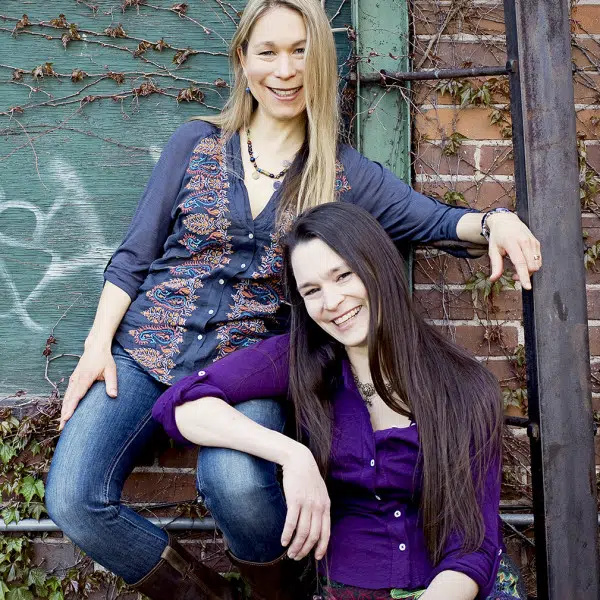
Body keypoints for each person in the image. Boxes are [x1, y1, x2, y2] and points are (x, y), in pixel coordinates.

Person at [45, 0, 540, 597]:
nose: (285, 70)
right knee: (73, 498)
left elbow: (431, 219)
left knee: (238, 482)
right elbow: (134, 254)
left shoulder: (345, 174)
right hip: (145, 351)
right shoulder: (193, 143)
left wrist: (494, 223)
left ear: (323, 63)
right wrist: (97, 346)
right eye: (268, 51)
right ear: (243, 60)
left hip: (246, 370)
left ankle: (277, 589)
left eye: (301, 51)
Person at [153, 202, 526, 600]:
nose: (331, 303)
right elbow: (179, 403)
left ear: (377, 267)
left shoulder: (466, 388)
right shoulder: (299, 360)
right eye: (312, 291)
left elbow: (473, 543)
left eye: (343, 276)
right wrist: (293, 455)